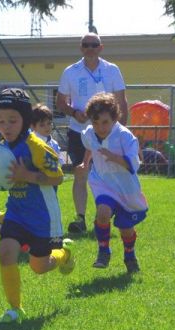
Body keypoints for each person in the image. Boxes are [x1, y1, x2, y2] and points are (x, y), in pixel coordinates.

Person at [0, 88, 74, 323]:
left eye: (12, 121)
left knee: (39, 267)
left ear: (26, 120)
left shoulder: (37, 147)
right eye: (1, 121)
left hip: (43, 217)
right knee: (6, 252)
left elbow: (57, 177)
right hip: (16, 212)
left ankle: (64, 253)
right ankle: (15, 309)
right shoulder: (2, 145)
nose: (6, 127)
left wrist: (26, 175)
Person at [56, 33, 128, 234]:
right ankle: (80, 219)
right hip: (79, 132)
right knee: (81, 173)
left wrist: (120, 131)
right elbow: (60, 103)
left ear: (101, 47)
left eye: (94, 45)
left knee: (107, 175)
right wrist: (74, 113)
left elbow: (121, 102)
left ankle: (102, 216)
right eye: (86, 45)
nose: (90, 48)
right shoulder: (70, 72)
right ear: (81, 48)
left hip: (108, 133)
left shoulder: (112, 70)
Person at [77, 93, 147, 273]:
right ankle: (103, 251)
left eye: (105, 122)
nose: (100, 127)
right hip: (102, 182)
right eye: (95, 122)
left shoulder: (124, 136)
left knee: (126, 229)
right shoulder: (89, 133)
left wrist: (115, 157)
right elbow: (89, 146)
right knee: (103, 212)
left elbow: (134, 163)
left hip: (126, 188)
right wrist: (86, 162)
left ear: (115, 118)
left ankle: (130, 256)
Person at [0, 103, 63, 238]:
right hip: (24, 191)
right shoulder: (30, 143)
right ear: (32, 126)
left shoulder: (53, 144)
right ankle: (4, 221)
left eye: (49, 124)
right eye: (42, 125)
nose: (47, 128)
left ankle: (2, 219)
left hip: (47, 187)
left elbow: (58, 172)